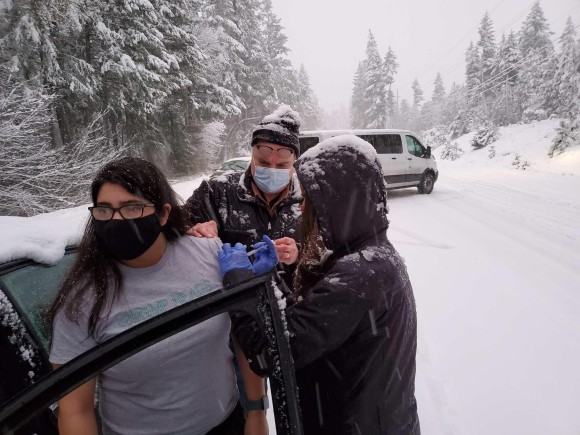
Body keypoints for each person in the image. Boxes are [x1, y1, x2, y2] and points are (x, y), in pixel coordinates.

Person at [47, 157, 268, 435]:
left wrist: (257, 410)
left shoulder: (209, 253)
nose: (117, 221)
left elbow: (242, 335)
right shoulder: (83, 300)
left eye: (132, 208)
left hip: (226, 424)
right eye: (105, 211)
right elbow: (75, 410)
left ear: (163, 214)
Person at [219, 136, 421, 434]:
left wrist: (239, 285)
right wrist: (270, 279)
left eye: (310, 202)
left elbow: (272, 353)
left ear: (337, 203)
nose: (302, 212)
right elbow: (307, 326)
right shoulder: (372, 257)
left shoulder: (360, 274)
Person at [185, 104, 303, 290]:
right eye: (263, 162)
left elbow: (326, 255)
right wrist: (192, 230)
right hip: (233, 309)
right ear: (252, 156)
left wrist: (299, 254)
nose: (272, 170)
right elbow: (172, 230)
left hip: (290, 309)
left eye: (281, 166)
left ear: (294, 163)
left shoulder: (308, 200)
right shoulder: (217, 191)